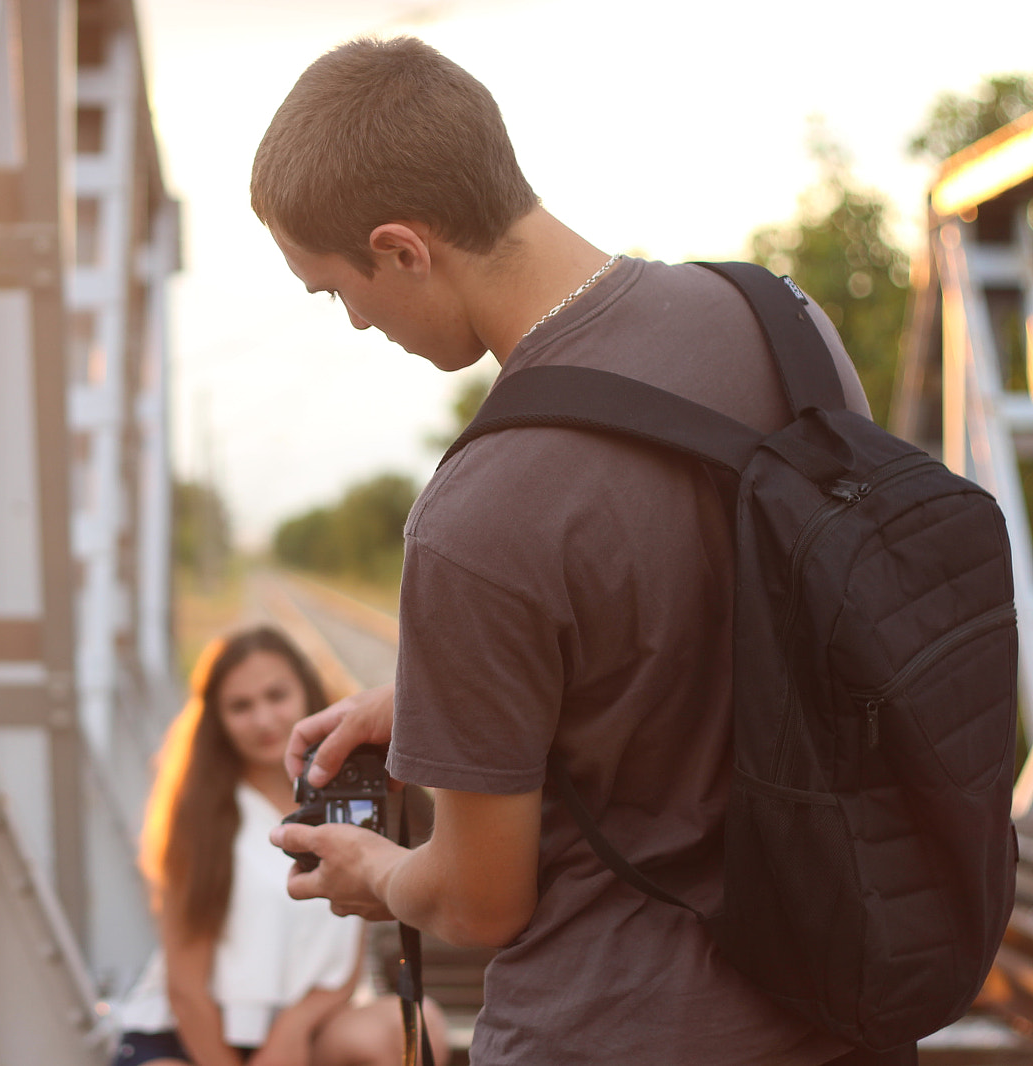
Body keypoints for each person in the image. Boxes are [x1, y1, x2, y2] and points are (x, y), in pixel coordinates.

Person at [255, 36, 903, 1066]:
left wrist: (373, 872)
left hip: (614, 1031)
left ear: (401, 247)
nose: (356, 321)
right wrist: (445, 702)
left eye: (336, 290)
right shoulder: (786, 326)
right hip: (844, 1004)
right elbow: (733, 651)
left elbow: (475, 899)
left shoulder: (478, 513)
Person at [109, 625, 442, 1066]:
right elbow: (186, 989)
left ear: (306, 690)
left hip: (300, 1035)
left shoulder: (351, 796)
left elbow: (346, 958)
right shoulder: (199, 813)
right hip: (191, 1036)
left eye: (276, 695)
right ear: (217, 720)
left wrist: (296, 1027)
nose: (264, 719)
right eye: (241, 706)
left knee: (422, 1025)